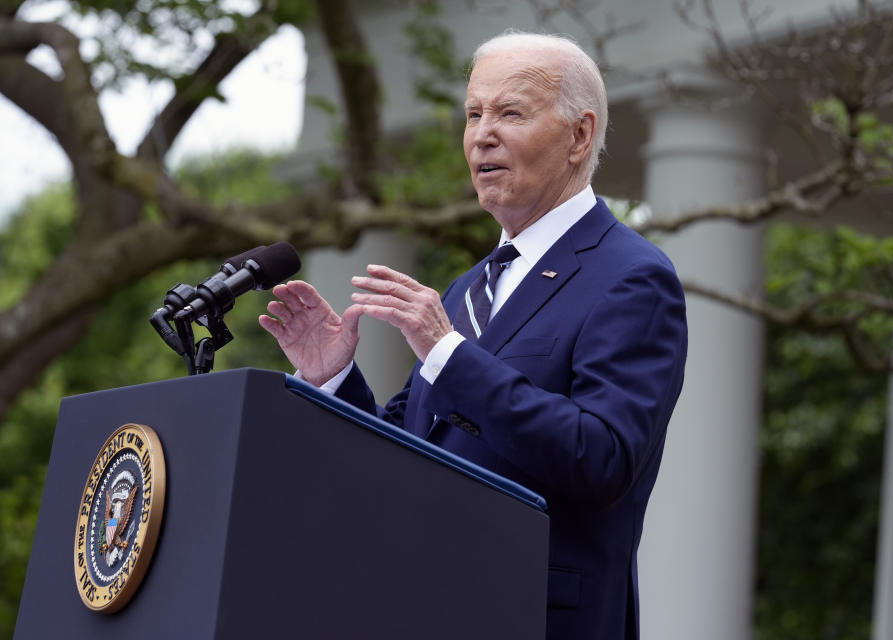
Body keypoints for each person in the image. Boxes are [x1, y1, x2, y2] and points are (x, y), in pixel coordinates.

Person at [260, 30, 687, 640]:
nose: (483, 133)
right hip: (425, 608)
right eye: (474, 114)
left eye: (511, 112)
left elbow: (601, 459)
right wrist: (333, 377)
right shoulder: (465, 292)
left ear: (580, 135)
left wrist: (449, 353)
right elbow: (407, 449)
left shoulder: (633, 278)